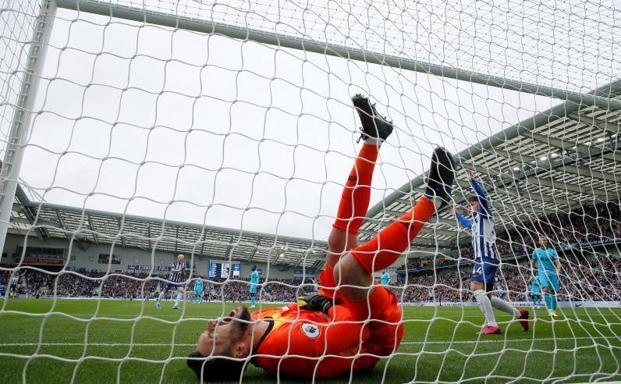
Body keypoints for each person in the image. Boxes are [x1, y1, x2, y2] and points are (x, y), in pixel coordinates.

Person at [187, 94, 456, 381]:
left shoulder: (260, 319)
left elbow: (310, 307)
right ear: (240, 350)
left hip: (336, 305)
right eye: (213, 336)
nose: (212, 323)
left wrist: (323, 302)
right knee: (348, 267)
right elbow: (353, 326)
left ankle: (373, 138)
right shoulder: (283, 349)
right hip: (374, 331)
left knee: (338, 239)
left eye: (207, 329)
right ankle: (434, 200)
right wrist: (327, 305)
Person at [451, 169, 529, 335]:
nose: (470, 207)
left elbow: (483, 197)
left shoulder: (484, 214)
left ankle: (492, 324)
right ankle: (519, 314)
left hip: (485, 257)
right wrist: (457, 215)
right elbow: (467, 223)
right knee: (488, 296)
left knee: (474, 286)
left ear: (478, 204)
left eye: (472, 204)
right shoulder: (475, 222)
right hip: (486, 258)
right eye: (469, 205)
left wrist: (472, 181)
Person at [531, 235, 561, 317]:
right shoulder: (536, 251)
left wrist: (558, 272)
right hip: (542, 273)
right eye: (541, 240)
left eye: (544, 240)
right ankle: (550, 310)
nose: (543, 242)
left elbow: (558, 263)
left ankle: (554, 311)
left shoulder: (552, 251)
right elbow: (532, 263)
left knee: (554, 293)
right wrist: (532, 273)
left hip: (552, 273)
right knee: (545, 289)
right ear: (539, 242)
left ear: (547, 241)